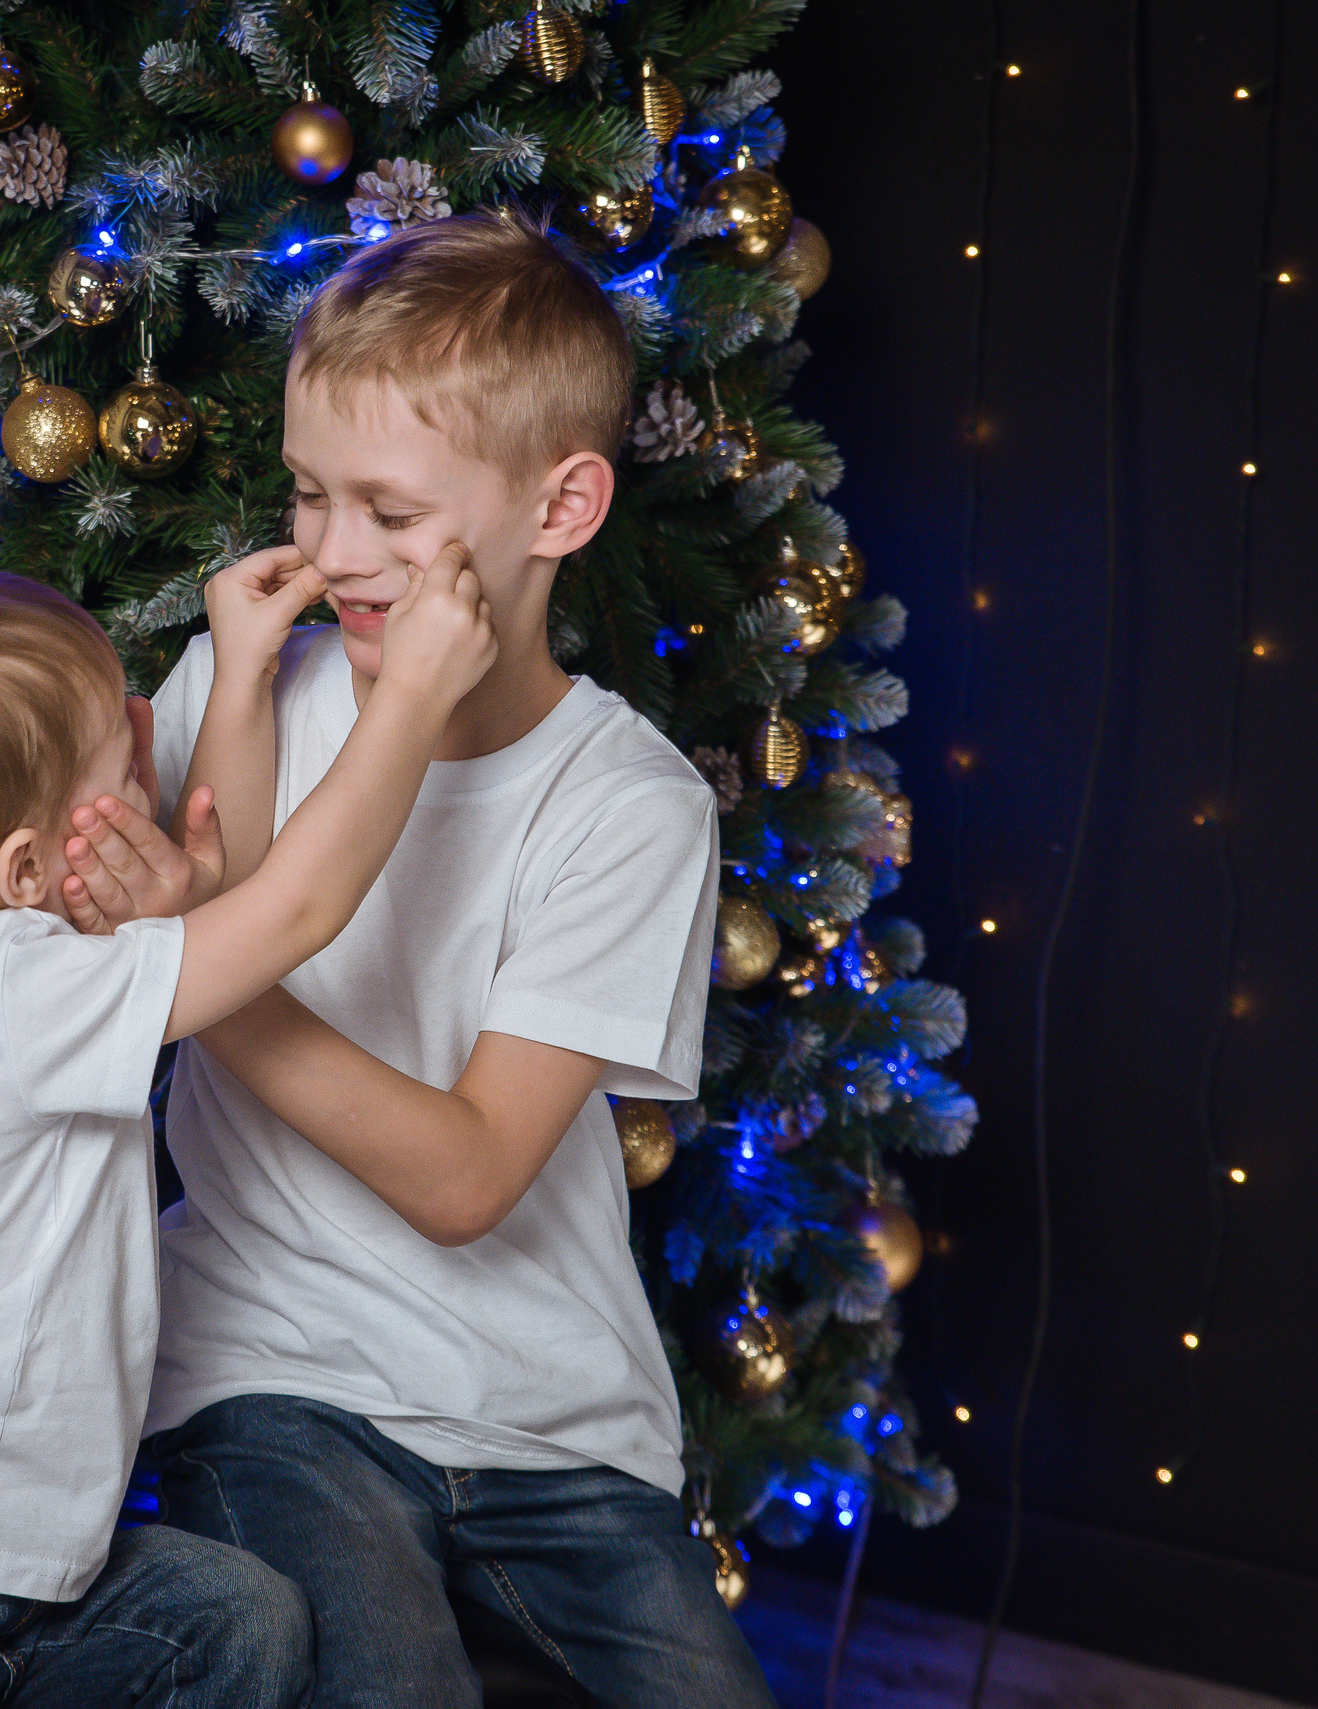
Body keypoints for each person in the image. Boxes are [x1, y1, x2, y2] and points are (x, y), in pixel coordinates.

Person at [57, 213, 780, 1706]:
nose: (331, 553)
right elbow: (118, 939)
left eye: (388, 510)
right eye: (309, 493)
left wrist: (184, 966)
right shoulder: (245, 682)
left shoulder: (629, 805)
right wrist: (167, 916)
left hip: (558, 1418)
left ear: (561, 505)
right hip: (275, 1374)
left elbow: (465, 1178)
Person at [0, 559, 498, 1708]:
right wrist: (415, 699)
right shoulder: (14, 990)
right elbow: (291, 909)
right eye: (119, 753)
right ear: (25, 870)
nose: (146, 722)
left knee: (242, 1615)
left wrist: (241, 677)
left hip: (20, 1588)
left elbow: (213, 896)